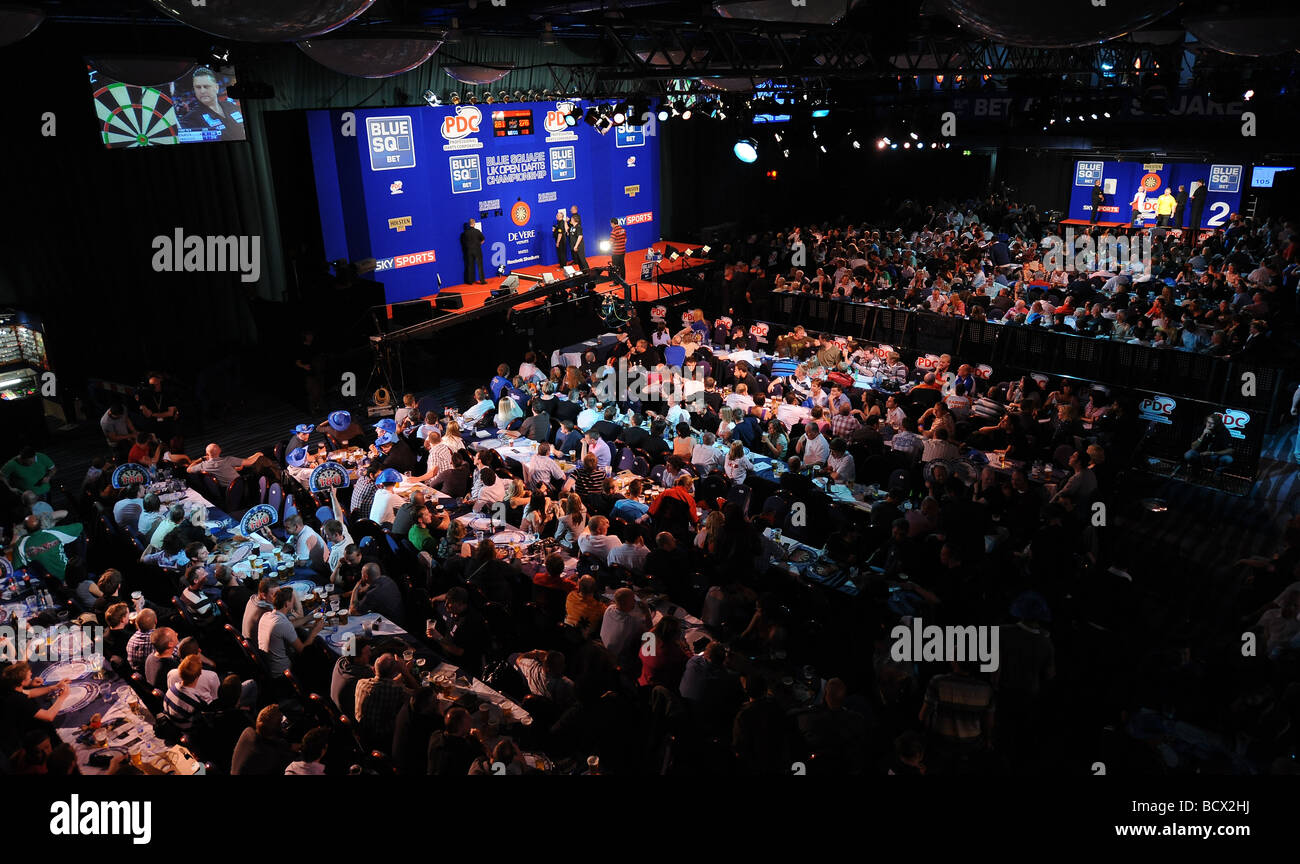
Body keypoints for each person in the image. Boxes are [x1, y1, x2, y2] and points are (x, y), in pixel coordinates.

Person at [259, 586, 325, 677]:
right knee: (317, 654)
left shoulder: (266, 616)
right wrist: (314, 631)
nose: (293, 603)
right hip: (284, 675)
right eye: (292, 601)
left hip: (268, 668)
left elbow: (290, 625)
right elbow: (302, 650)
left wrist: (311, 616)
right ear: (286, 604)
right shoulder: (283, 624)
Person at [179, 67, 245, 141]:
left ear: (216, 87)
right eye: (198, 87)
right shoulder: (191, 118)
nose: (202, 91)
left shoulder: (231, 106)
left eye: (206, 86)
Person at [231, 705, 295, 775]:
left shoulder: (248, 732)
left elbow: (272, 742)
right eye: (282, 722)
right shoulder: (270, 756)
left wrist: (287, 745)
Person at [1181, 412, 1235, 477]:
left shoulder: (1224, 432)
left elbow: (1231, 450)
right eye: (1208, 422)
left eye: (1212, 423)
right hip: (1200, 454)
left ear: (1217, 424)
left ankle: (1217, 473)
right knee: (1188, 454)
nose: (1209, 425)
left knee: (1228, 459)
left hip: (1215, 455)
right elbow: (1193, 447)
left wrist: (1212, 453)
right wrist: (1203, 434)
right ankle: (1196, 469)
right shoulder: (1201, 428)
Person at [461, 218, 486, 285]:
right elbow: (483, 240)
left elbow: (463, 242)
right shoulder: (477, 231)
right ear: (474, 224)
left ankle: (470, 281)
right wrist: (478, 244)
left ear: (469, 224)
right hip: (477, 250)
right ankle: (482, 281)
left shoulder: (465, 233)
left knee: (469, 266)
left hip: (469, 251)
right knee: (480, 266)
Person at [568, 206, 589, 271]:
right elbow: (567, 230)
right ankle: (583, 272)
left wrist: (576, 246)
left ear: (574, 220)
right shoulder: (572, 227)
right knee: (579, 261)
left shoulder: (578, 227)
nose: (570, 220)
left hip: (579, 246)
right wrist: (565, 222)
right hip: (574, 246)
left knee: (582, 259)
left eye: (571, 219)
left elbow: (580, 236)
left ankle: (588, 271)